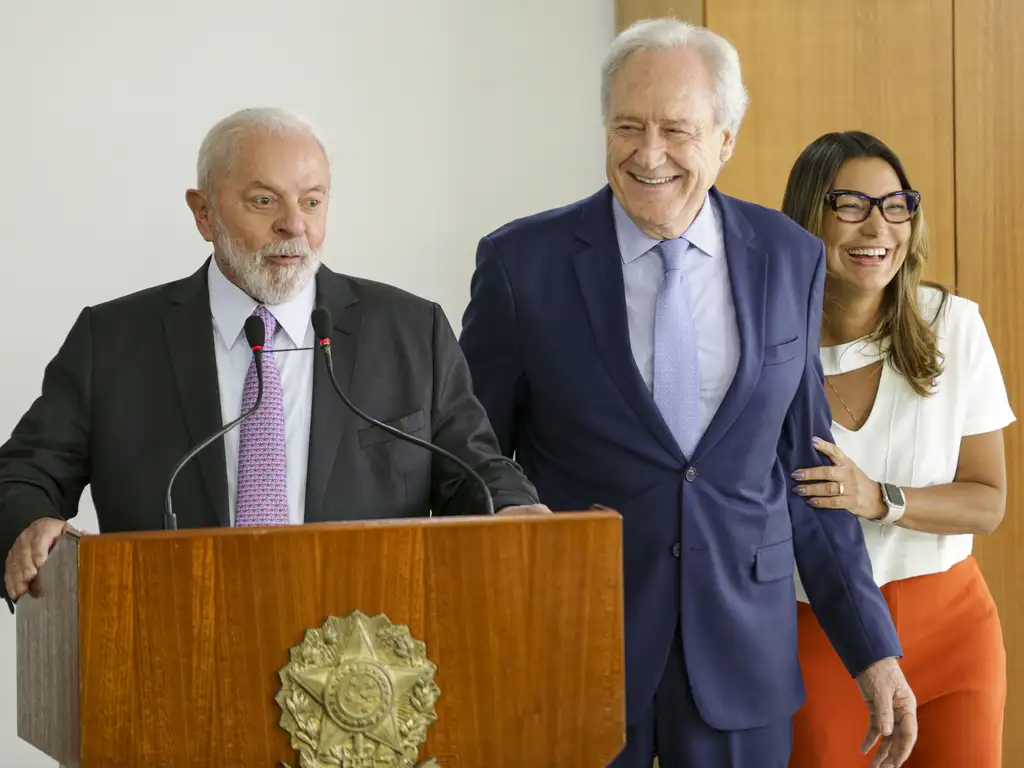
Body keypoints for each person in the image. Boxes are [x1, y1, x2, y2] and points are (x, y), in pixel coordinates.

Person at [459, 18, 918, 768]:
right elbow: (468, 448)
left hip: (742, 657)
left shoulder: (787, 257)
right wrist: (509, 518)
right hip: (576, 650)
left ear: (726, 138)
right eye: (628, 127)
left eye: (677, 130)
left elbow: (812, 471)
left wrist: (872, 649)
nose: (648, 154)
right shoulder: (520, 263)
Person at [1, 106, 549, 604]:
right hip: (167, 654)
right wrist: (28, 528)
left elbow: (474, 469)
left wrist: (513, 508)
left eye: (312, 201)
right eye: (265, 201)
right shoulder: (115, 338)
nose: (295, 225)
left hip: (362, 665)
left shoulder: (409, 331)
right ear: (204, 214)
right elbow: (24, 473)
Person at [780, 130, 1012, 768]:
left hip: (954, 622)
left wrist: (878, 499)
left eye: (895, 204)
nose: (877, 225)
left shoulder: (952, 325)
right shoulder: (767, 349)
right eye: (850, 204)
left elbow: (987, 501)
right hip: (816, 628)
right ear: (809, 217)